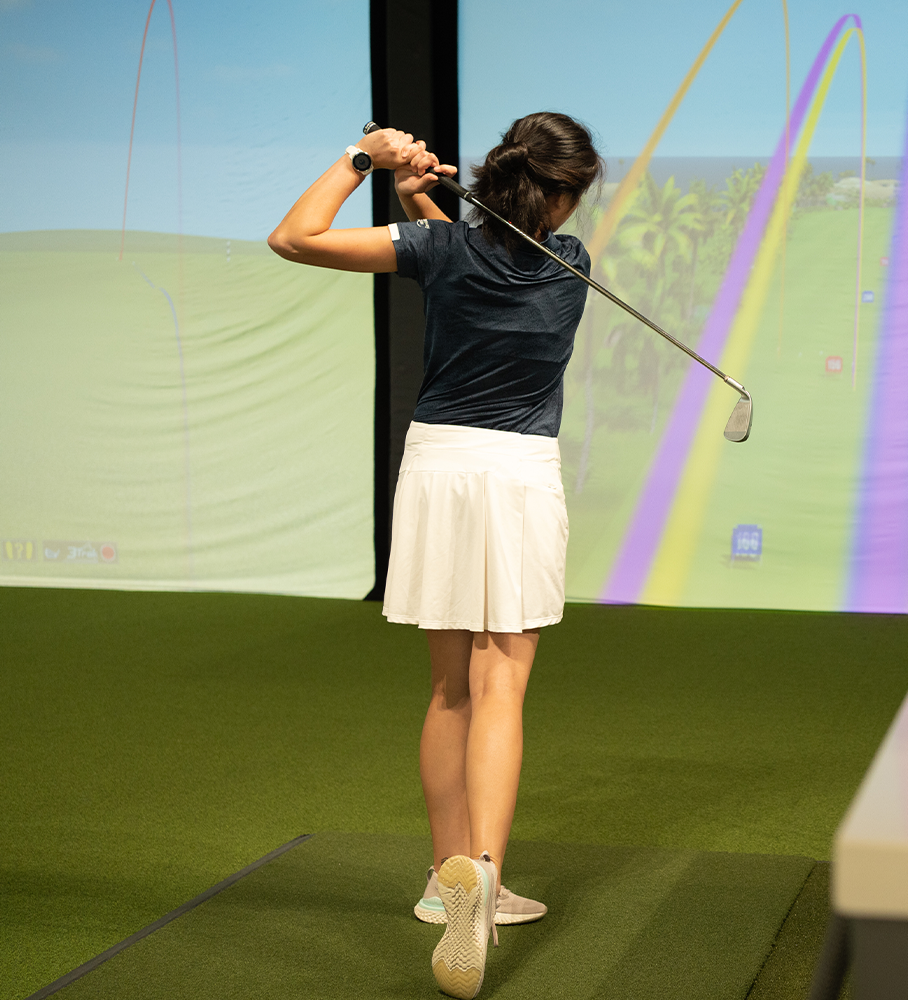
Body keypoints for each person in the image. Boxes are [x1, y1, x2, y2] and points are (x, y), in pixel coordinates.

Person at [270, 113, 602, 999]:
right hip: (518, 476)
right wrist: (426, 206)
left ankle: (441, 877)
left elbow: (293, 238)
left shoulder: (439, 248)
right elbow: (497, 264)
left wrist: (365, 162)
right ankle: (484, 880)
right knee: (503, 688)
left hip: (437, 471)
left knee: (451, 688)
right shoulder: (572, 263)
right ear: (561, 195)